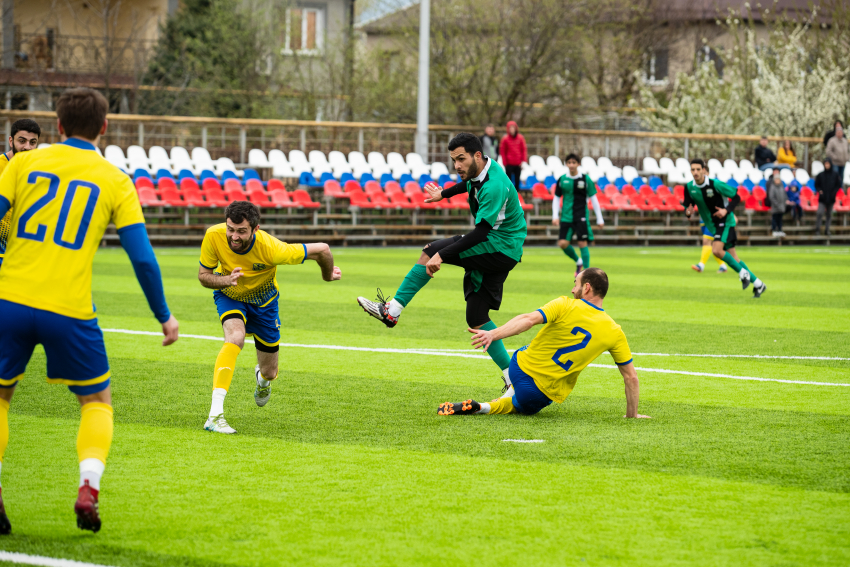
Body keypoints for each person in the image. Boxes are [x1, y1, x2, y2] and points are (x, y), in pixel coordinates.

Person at [0, 88, 179, 533]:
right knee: (97, 402)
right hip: (71, 308)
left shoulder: (22, 163)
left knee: (1, 397)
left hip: (10, 300)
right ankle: (88, 488)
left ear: (57, 127)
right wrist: (163, 315)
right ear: (104, 128)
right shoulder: (116, 180)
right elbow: (141, 257)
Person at [358, 133, 527, 392]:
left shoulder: (494, 185)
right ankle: (511, 377)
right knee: (477, 317)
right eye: (453, 160)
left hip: (498, 245)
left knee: (431, 250)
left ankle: (392, 311)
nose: (457, 165)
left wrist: (442, 255)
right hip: (504, 248)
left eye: (461, 159)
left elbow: (481, 232)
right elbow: (468, 185)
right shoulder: (481, 171)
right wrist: (444, 194)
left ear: (477, 156)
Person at [198, 201, 341, 434]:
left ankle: (261, 380)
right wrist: (225, 280)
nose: (234, 236)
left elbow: (322, 249)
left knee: (270, 372)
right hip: (230, 295)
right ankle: (215, 415)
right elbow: (204, 276)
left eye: (241, 231)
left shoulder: (273, 248)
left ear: (255, 229)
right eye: (230, 229)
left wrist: (328, 276)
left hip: (264, 303)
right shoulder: (213, 236)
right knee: (235, 338)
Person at [437, 268, 649, 419]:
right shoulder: (614, 331)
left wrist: (494, 334)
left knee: (520, 372)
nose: (572, 290)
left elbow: (527, 320)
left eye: (575, 285)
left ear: (586, 288)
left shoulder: (565, 304)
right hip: (540, 393)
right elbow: (631, 377)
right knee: (518, 406)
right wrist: (632, 415)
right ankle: (485, 406)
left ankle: (489, 400)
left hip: (520, 367)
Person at [684, 159, 767, 297]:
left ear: (704, 170)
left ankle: (743, 273)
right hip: (712, 225)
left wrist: (726, 211)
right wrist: (688, 212)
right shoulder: (689, 187)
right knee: (734, 258)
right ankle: (759, 284)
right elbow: (688, 208)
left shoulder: (715, 184)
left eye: (698, 169)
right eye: (693, 170)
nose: (696, 172)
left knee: (716, 250)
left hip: (725, 221)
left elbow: (736, 197)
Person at [551, 153, 603, 275]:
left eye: (574, 162)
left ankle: (586, 272)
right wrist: (555, 216)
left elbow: (594, 199)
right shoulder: (562, 179)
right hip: (566, 216)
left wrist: (600, 219)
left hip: (581, 216)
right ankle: (578, 261)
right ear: (566, 164)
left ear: (578, 164)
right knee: (562, 243)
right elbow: (556, 198)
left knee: (582, 243)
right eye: (569, 162)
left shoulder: (585, 179)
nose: (571, 165)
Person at [0, 119, 41, 268]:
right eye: (22, 141)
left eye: (32, 142)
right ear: (11, 141)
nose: (27, 147)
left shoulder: (39, 173)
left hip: (23, 253)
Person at [815, 157, 841, 236]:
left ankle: (827, 230)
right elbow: (816, 185)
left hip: (831, 198)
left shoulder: (835, 175)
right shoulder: (820, 175)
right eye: (825, 164)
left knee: (829, 215)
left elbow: (838, 185)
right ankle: (817, 230)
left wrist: (834, 192)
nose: (827, 165)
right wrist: (820, 191)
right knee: (819, 213)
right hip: (822, 198)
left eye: (828, 163)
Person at [499, 121, 527, 192]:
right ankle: (509, 195)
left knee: (517, 180)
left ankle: (517, 195)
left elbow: (523, 149)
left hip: (518, 163)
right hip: (509, 164)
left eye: (513, 128)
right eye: (510, 128)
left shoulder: (520, 138)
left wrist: (523, 161)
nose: (512, 129)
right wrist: (505, 163)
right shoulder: (505, 139)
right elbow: (502, 151)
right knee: (509, 181)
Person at [767, 169, 789, 237]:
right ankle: (774, 230)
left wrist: (785, 202)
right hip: (775, 207)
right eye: (776, 179)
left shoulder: (781, 186)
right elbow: (771, 197)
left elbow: (784, 195)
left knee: (780, 219)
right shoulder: (772, 187)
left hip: (781, 206)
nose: (778, 180)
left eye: (778, 179)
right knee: (774, 219)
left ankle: (780, 230)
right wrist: (777, 204)